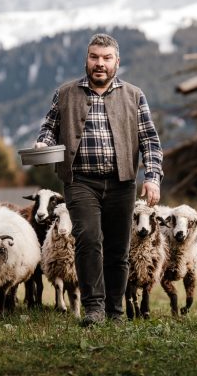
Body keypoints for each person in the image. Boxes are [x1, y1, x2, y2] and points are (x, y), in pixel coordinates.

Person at [34, 32, 163, 326]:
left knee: (118, 249)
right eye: (94, 57)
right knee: (89, 241)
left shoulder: (134, 95)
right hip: (80, 181)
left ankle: (115, 310)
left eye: (106, 58)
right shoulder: (65, 93)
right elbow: (49, 128)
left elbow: (150, 142)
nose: (100, 64)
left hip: (122, 183)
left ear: (117, 62)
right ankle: (94, 307)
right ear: (86, 60)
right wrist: (43, 144)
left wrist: (152, 177)